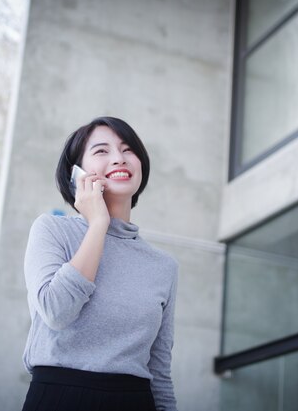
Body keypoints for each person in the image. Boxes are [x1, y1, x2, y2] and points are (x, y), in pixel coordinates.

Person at [21, 116, 179, 411]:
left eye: (128, 149)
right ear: (76, 174)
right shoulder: (52, 231)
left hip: (134, 401)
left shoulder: (163, 266)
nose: (119, 158)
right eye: (102, 151)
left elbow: (159, 373)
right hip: (60, 398)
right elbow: (56, 311)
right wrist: (98, 225)